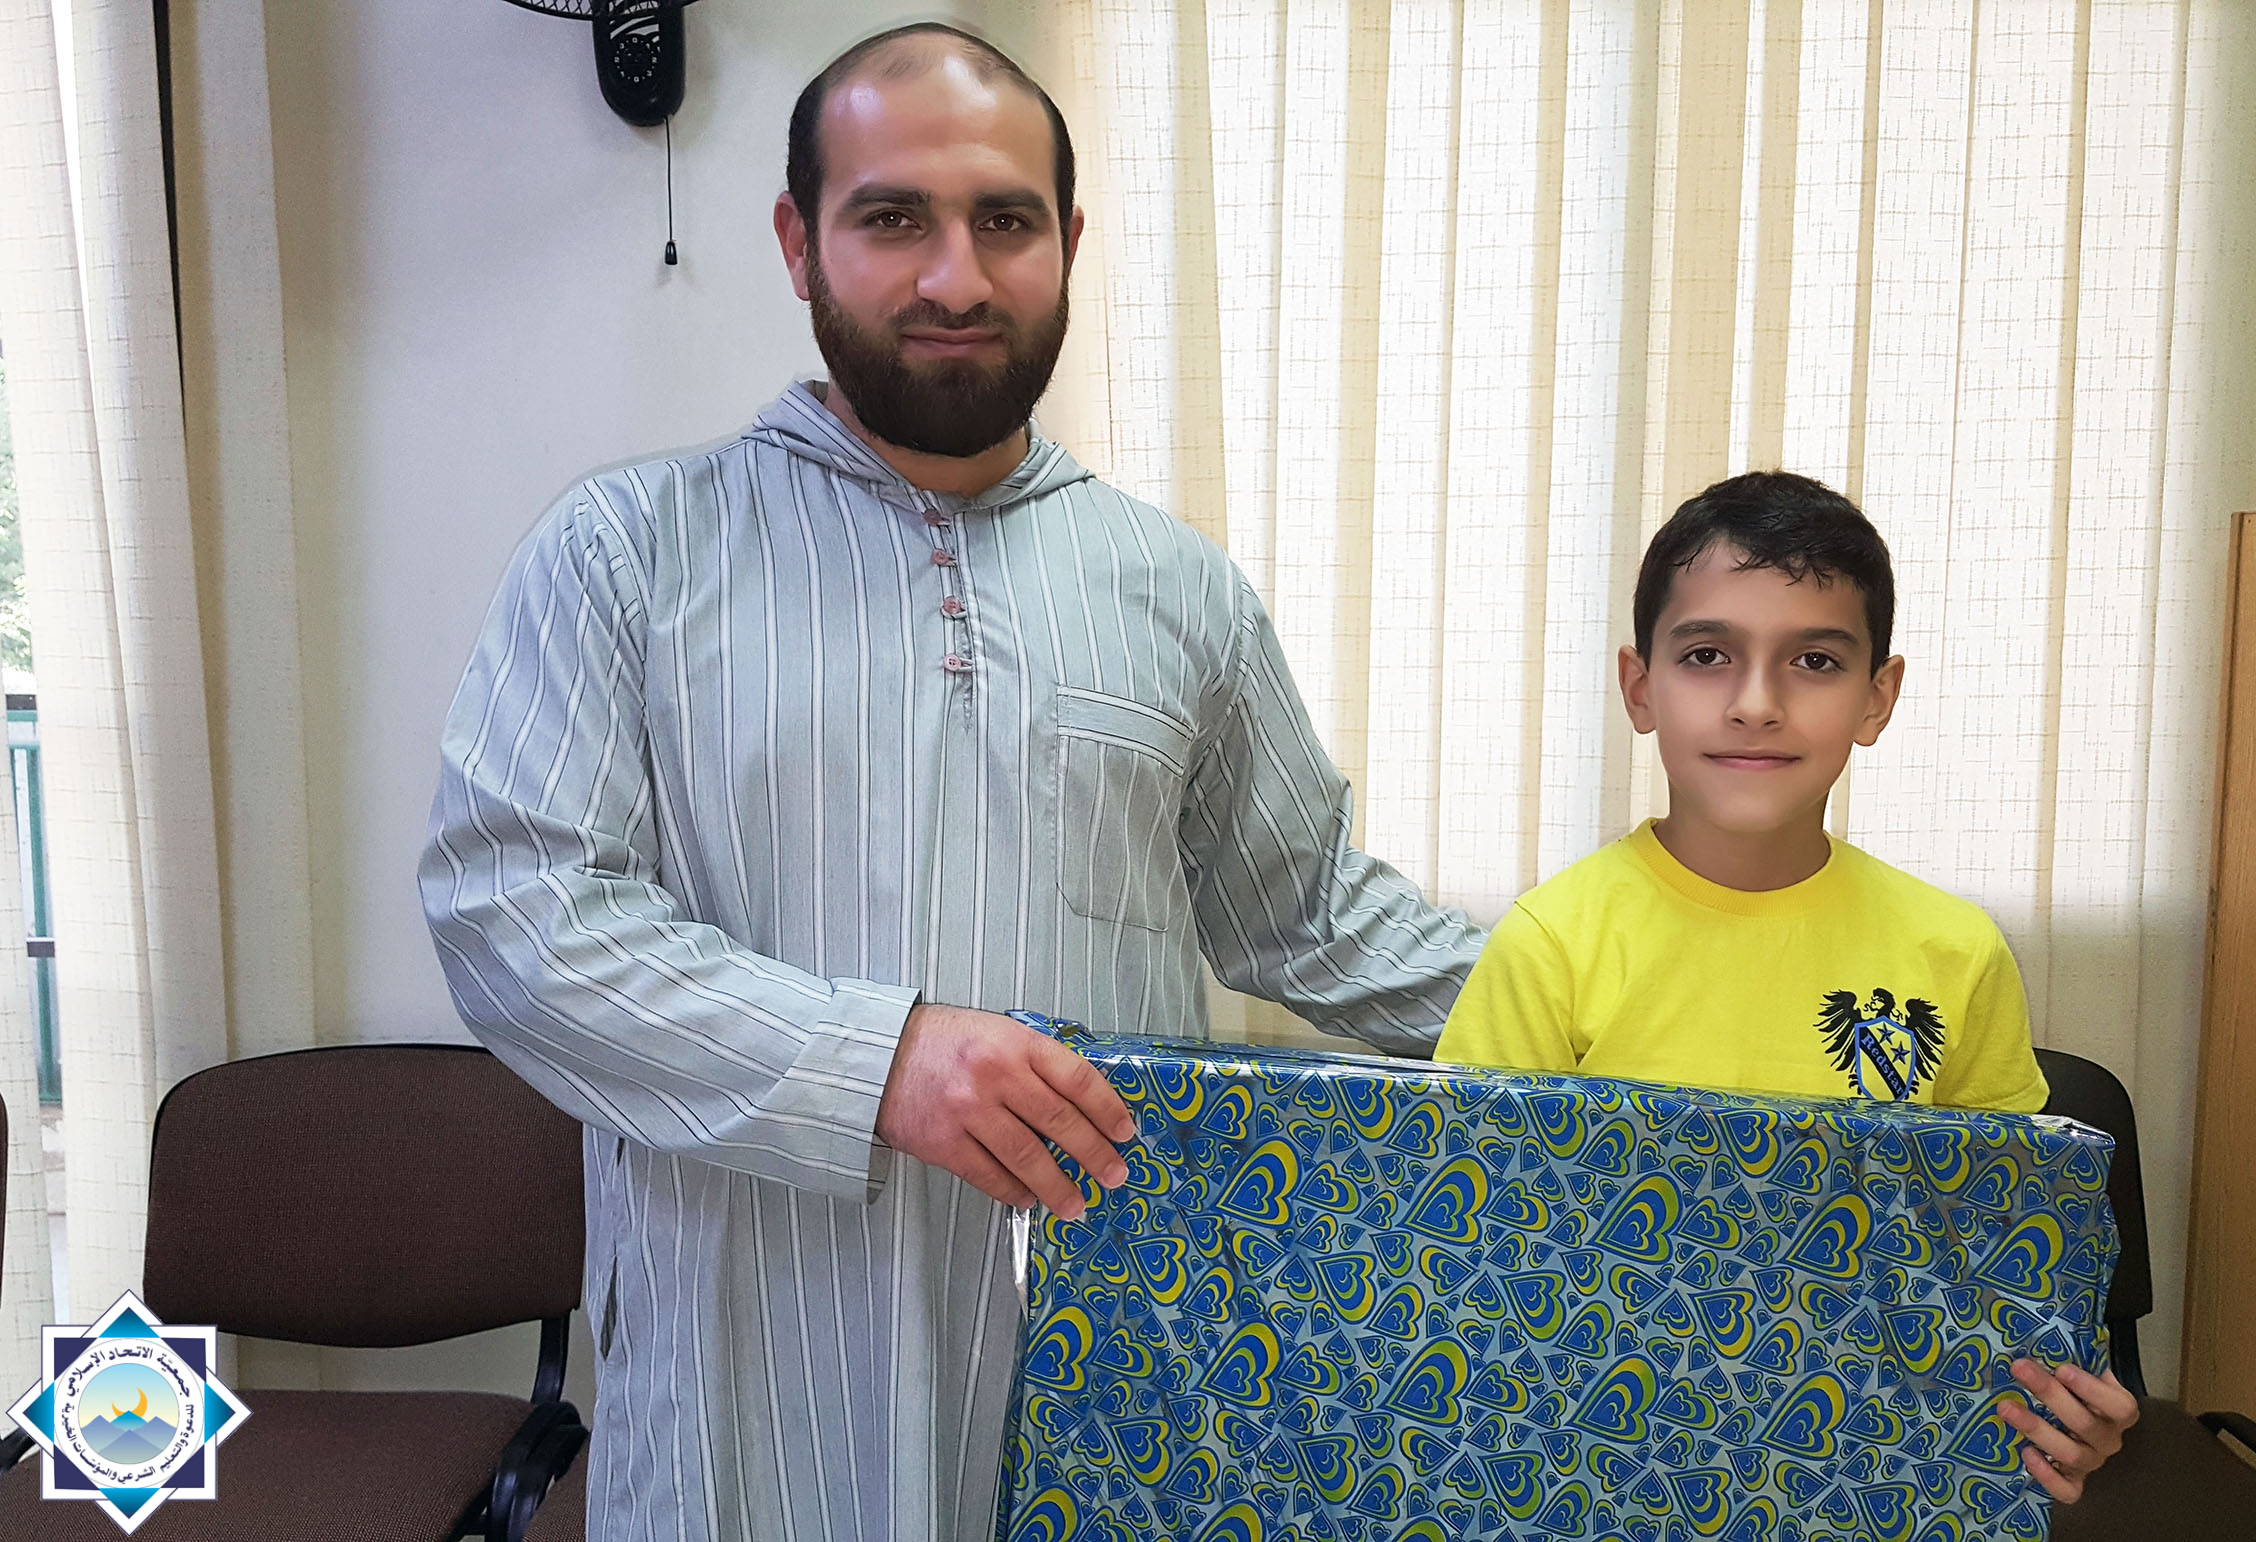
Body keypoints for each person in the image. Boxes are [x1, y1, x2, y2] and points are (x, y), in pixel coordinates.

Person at [417, 23, 1479, 1542]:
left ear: (1069, 244)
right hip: (750, 1380)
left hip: (1102, 1368)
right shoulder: (628, 556)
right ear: (800, 242)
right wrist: (879, 1062)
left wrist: (1642, 993)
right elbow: (517, 917)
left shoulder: (1177, 590)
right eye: (893, 217)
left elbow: (1307, 912)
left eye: (1005, 221)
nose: (956, 278)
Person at [1434, 470, 2140, 1503]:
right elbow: (1470, 1258)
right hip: (1606, 1467)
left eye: (1814, 660)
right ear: (1640, 687)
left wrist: (2066, 1407)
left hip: (1869, 1471)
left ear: (1876, 697)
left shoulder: (1954, 952)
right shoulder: (1553, 944)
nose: (1756, 704)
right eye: (1706, 655)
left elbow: (2002, 1253)